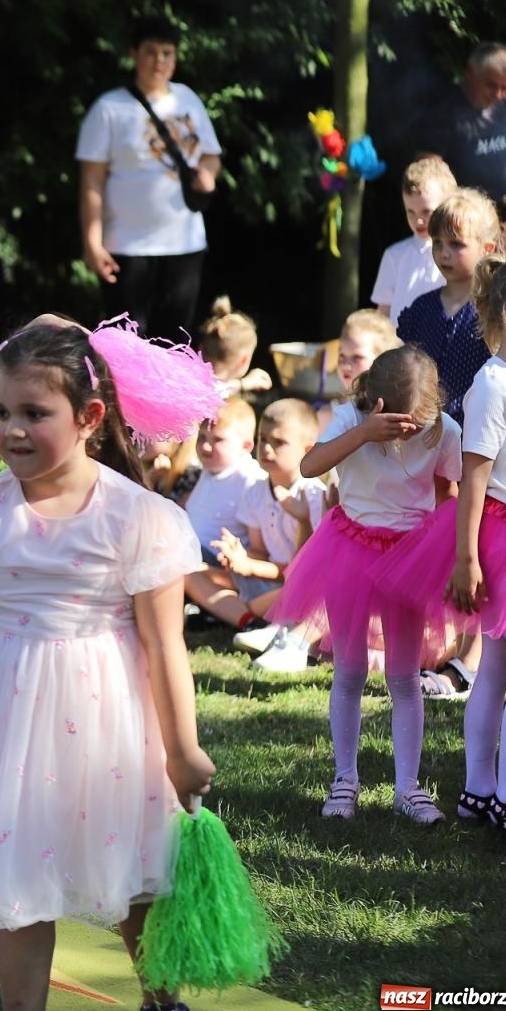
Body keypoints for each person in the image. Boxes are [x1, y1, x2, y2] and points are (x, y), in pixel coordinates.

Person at [0, 319, 215, 1011]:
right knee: (16, 868)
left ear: (89, 417)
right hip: (2, 710)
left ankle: (162, 1002)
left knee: (132, 862)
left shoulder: (137, 517)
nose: (11, 430)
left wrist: (182, 748)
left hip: (108, 711)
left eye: (33, 414)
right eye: (2, 412)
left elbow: (164, 647)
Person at [375, 256, 506, 841]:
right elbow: (474, 476)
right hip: (504, 536)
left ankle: (478, 788)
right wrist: (466, 557)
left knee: (497, 665)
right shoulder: (494, 385)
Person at [267, 347, 461, 824]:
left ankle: (408, 788)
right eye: (397, 420)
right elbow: (310, 467)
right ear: (374, 403)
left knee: (405, 676)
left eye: (417, 420)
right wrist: (363, 433)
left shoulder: (443, 428)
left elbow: (450, 488)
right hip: (349, 550)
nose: (406, 430)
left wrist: (434, 542)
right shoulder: (350, 417)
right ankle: (345, 780)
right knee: (349, 669)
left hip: (408, 556)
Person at [76, 16, 223, 337]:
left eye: (167, 53)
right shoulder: (109, 108)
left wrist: (208, 176)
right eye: (151, 52)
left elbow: (211, 156)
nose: (160, 60)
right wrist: (92, 242)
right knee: (127, 345)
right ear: (134, 54)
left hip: (185, 244)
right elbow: (91, 180)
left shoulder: (188, 100)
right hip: (126, 247)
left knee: (177, 342)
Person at [215, 399, 328, 672]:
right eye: (262, 438)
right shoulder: (255, 492)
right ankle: (271, 624)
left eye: (279, 442)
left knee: (263, 598)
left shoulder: (314, 496)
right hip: (271, 580)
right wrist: (239, 557)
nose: (266, 448)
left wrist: (250, 565)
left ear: (307, 450)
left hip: (301, 586)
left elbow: (302, 569)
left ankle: (278, 627)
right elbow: (259, 551)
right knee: (196, 573)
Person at [396, 188, 500, 425]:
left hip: (477, 432)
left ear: (487, 249)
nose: (444, 253)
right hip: (423, 432)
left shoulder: (494, 308)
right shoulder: (422, 308)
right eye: (437, 242)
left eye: (456, 244)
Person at [181, 398, 266, 628]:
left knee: (182, 571)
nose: (205, 447)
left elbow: (259, 543)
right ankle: (201, 613)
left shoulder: (250, 479)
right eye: (202, 438)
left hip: (223, 563)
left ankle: (248, 621)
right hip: (193, 550)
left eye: (217, 440)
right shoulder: (212, 470)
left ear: (246, 446)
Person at [417, 42, 506, 201]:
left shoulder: (504, 108)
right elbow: (428, 173)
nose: (499, 95)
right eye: (491, 85)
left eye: (505, 88)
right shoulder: (443, 113)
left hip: (502, 209)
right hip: (462, 213)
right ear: (470, 73)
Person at [372, 157, 455, 328]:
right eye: (410, 212)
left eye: (426, 211)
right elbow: (383, 315)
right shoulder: (394, 255)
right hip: (400, 351)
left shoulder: (460, 254)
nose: (418, 221)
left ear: (449, 204)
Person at [317, 309, 400, 430]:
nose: (346, 365)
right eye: (342, 356)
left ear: (383, 359)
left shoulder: (393, 414)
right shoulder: (327, 417)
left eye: (357, 358)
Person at [197, 296, 271, 398]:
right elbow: (216, 391)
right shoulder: (212, 394)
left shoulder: (184, 379)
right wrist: (244, 383)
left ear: (200, 349)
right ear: (243, 361)